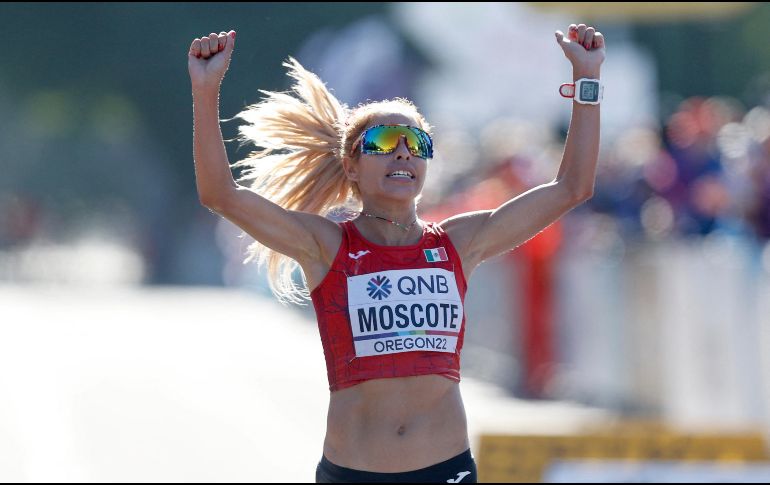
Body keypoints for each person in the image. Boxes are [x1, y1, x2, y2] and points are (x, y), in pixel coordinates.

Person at [187, 23, 605, 483]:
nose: (403, 153)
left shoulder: (458, 242)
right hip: (354, 471)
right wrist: (205, 91)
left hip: (446, 469)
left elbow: (572, 187)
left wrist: (587, 80)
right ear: (352, 166)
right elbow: (221, 195)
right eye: (384, 142)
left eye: (416, 143)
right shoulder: (326, 246)